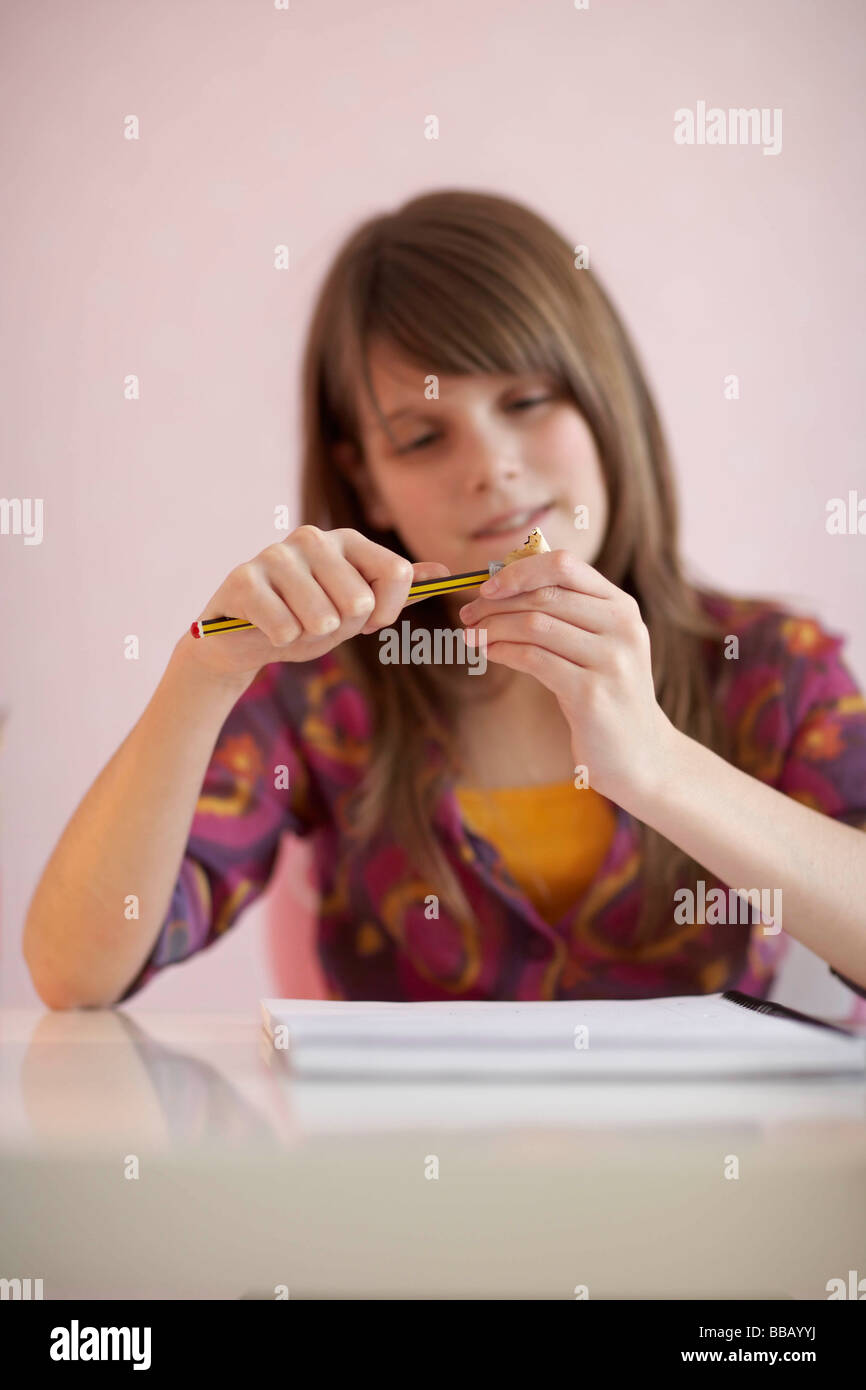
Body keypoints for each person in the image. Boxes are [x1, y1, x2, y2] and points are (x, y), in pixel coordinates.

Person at [23, 189, 866, 1010]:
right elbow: (75, 974)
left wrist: (658, 766)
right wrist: (203, 669)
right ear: (368, 484)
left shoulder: (773, 670)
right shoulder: (323, 691)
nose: (491, 466)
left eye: (528, 401)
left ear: (605, 402)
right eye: (424, 437)